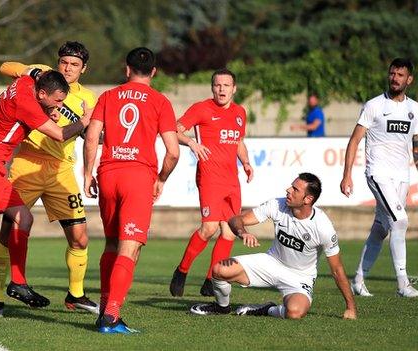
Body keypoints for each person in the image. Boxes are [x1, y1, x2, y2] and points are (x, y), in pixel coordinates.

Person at [0, 69, 90, 320]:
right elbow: (59, 135)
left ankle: (18, 283)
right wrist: (84, 121)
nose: (60, 105)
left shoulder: (26, 82)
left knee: (23, 218)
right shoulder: (26, 103)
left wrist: (49, 109)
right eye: (57, 101)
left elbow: (29, 71)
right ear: (42, 93)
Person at [0, 41, 99, 317]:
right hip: (28, 162)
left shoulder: (89, 99)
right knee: (7, 233)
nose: (67, 68)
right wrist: (31, 72)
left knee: (80, 237)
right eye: (64, 62)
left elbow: (91, 138)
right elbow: (4, 67)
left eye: (74, 65)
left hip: (61, 169)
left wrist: (88, 172)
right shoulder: (43, 75)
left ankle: (75, 295)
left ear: (83, 69)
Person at [84, 47, 180, 333]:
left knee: (112, 244)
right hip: (138, 177)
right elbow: (173, 152)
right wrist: (161, 178)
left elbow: (91, 137)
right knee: (130, 246)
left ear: (126, 69)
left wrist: (88, 174)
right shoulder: (160, 101)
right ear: (153, 72)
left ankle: (105, 308)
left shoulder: (108, 96)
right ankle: (111, 316)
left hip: (109, 174)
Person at [190, 173, 357, 320]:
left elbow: (337, 270)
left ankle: (267, 309)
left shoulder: (323, 227)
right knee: (219, 270)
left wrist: (350, 307)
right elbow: (236, 219)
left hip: (300, 277)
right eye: (291, 186)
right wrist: (243, 232)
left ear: (308, 199)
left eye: (295, 189)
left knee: (295, 313)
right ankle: (221, 307)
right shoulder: (278, 205)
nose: (288, 190)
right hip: (271, 262)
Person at [340, 57, 418, 298]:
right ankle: (403, 284)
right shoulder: (374, 105)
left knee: (381, 228)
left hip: (402, 176)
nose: (395, 78)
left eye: (400, 75)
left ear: (409, 79)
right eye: (392, 74)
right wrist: (346, 175)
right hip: (378, 173)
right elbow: (355, 140)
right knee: (400, 221)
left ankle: (358, 280)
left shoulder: (416, 110)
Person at [169, 68, 253, 297]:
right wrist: (191, 143)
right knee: (209, 228)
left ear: (234, 89)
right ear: (212, 88)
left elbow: (239, 142)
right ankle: (182, 271)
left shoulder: (239, 113)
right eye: (217, 85)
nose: (221, 89)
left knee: (228, 232)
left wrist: (245, 162)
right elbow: (173, 130)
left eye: (226, 85)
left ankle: (211, 279)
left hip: (231, 181)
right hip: (209, 177)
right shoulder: (202, 109)